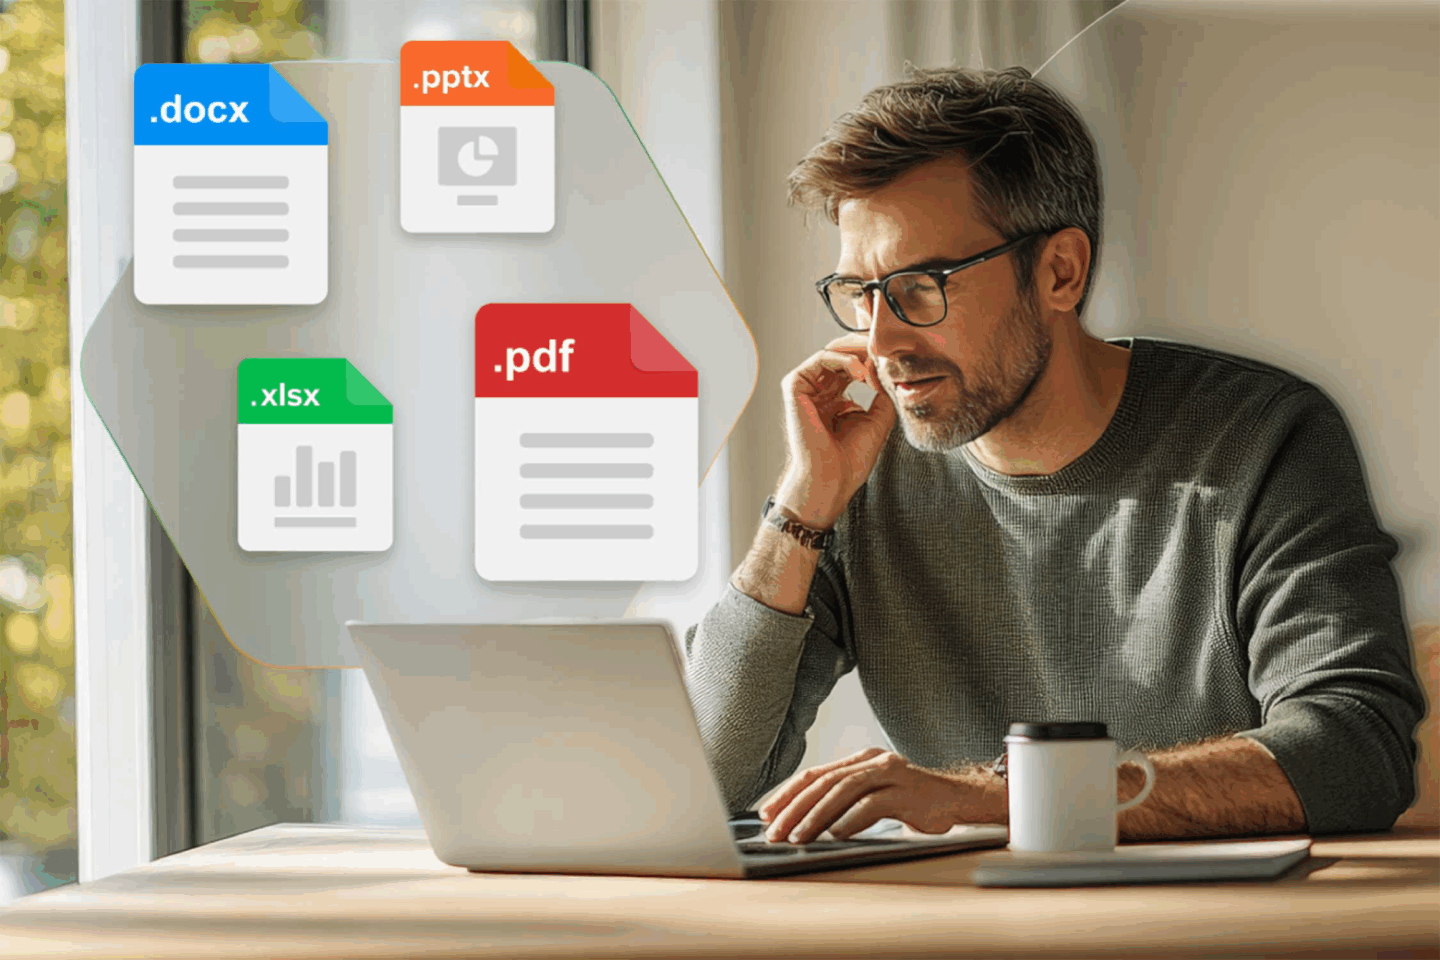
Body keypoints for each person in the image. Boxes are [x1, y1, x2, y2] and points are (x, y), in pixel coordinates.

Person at [682, 65, 1424, 845]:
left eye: (920, 286)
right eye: (861, 291)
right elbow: (708, 783)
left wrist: (998, 798)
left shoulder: (1263, 439)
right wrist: (802, 504)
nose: (881, 341)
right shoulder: (863, 474)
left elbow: (1353, 752)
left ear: (1059, 272)